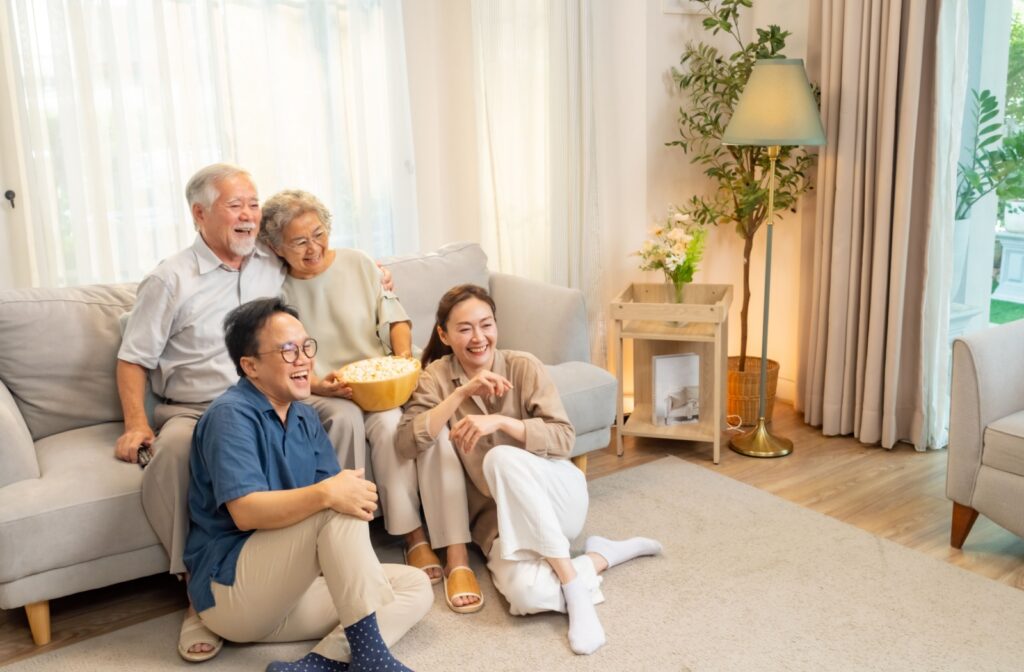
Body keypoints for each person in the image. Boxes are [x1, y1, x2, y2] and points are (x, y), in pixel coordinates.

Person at [114, 164, 385, 660]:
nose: (248, 216)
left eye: (253, 205)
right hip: (197, 407)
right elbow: (133, 358)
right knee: (176, 448)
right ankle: (199, 593)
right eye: (234, 206)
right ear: (199, 214)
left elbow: (314, 255)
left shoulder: (267, 259)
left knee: (342, 416)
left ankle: (336, 559)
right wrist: (136, 422)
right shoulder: (170, 278)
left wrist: (372, 276)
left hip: (272, 391)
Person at [396, 284, 662, 655]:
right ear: (444, 334)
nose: (478, 337)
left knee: (500, 457)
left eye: (486, 324)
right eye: (465, 328)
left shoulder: (523, 366)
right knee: (526, 595)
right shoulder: (436, 378)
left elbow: (564, 438)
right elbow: (407, 442)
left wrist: (504, 425)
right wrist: (459, 394)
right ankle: (601, 557)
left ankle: (571, 582)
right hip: (499, 522)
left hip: (558, 500)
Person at [258, 190, 481, 613]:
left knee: (389, 424)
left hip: (380, 381)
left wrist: (399, 360)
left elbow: (394, 317)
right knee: (344, 418)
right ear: (275, 248)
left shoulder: (358, 263)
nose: (313, 248)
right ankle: (347, 542)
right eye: (299, 242)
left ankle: (411, 535)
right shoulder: (275, 288)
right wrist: (318, 384)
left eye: (318, 235)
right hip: (323, 385)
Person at [185, 297, 430, 672]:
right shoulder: (229, 417)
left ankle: (316, 665)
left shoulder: (304, 415)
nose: (303, 359)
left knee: (415, 587)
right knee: (336, 501)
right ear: (250, 366)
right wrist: (330, 494)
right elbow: (246, 512)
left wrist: (340, 496)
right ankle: (372, 662)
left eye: (305, 346)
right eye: (287, 350)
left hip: (288, 594)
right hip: (233, 595)